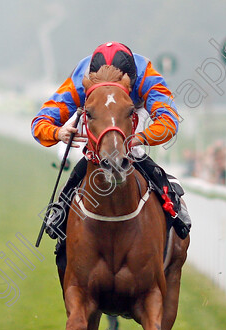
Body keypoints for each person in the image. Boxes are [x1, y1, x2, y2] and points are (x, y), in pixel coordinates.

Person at [31, 42, 191, 251]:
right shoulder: (82, 77)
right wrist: (57, 132)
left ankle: (174, 208)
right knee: (83, 170)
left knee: (134, 153)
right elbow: (40, 122)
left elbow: (169, 121)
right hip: (99, 120)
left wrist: (140, 138)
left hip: (132, 114)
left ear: (130, 79)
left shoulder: (146, 73)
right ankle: (61, 213)